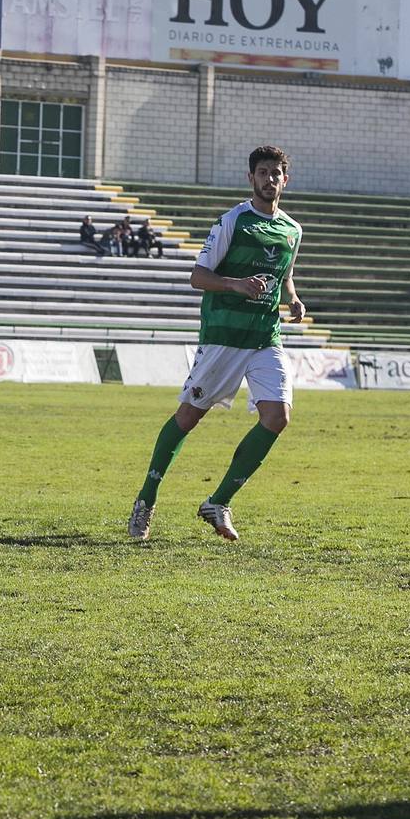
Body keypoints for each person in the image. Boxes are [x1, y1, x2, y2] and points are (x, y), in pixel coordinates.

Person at [128, 145, 306, 543]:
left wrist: (292, 299)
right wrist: (234, 284)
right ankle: (146, 498)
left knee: (278, 417)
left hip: (265, 337)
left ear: (285, 180)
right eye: (262, 172)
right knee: (188, 418)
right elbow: (198, 277)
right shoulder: (232, 222)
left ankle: (219, 501)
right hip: (223, 337)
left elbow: (284, 276)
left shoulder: (292, 229)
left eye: (276, 173)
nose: (269, 179)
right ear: (251, 178)